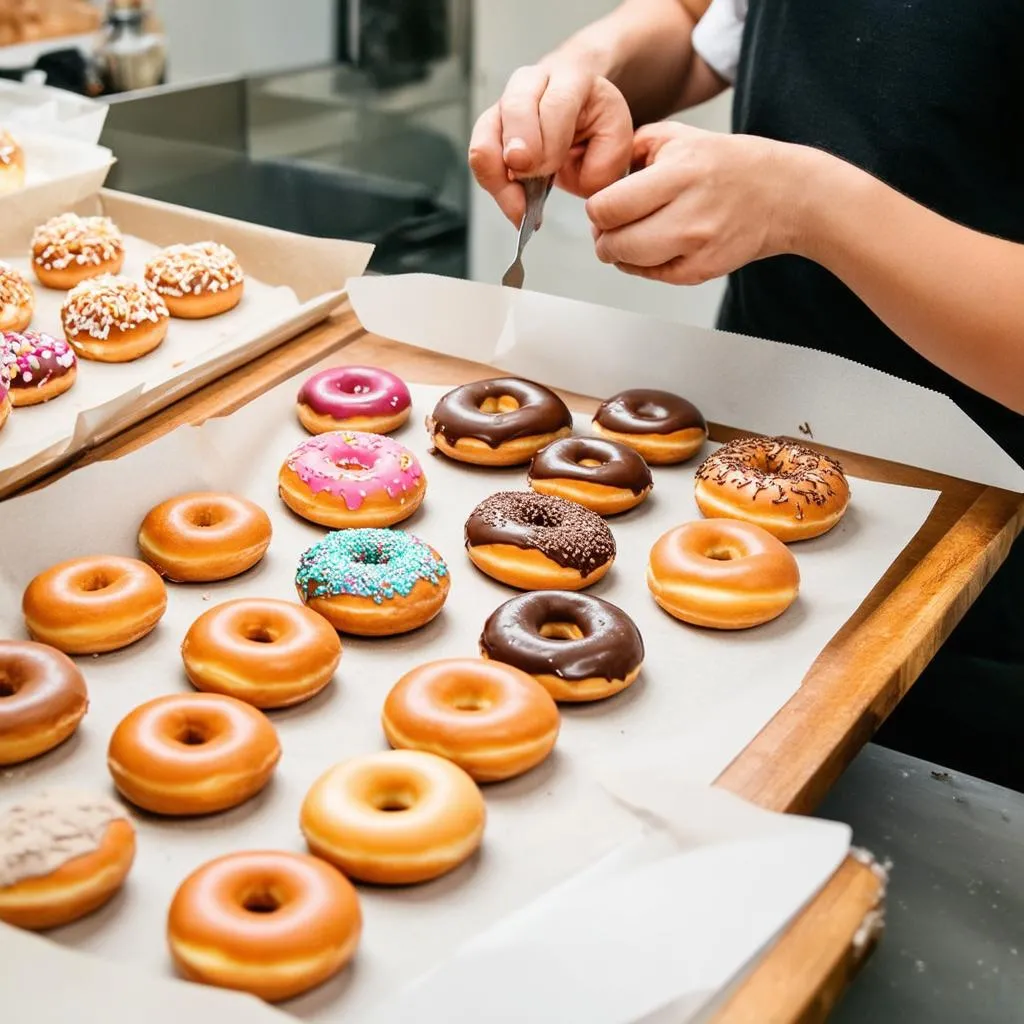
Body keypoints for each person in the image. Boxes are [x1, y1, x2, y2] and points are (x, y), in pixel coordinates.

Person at [469, 0, 1024, 789]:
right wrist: (595, 62)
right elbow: (703, 23)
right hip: (754, 449)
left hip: (979, 563)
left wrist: (809, 205)